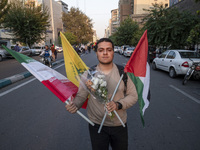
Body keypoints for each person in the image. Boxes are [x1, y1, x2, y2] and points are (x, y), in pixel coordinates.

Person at [65, 38, 138, 150]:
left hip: (119, 125)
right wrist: (75, 105)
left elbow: (133, 95)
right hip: (96, 126)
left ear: (113, 52)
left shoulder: (123, 73)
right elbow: (81, 96)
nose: (105, 53)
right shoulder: (89, 74)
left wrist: (118, 104)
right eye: (101, 50)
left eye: (108, 49)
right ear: (96, 53)